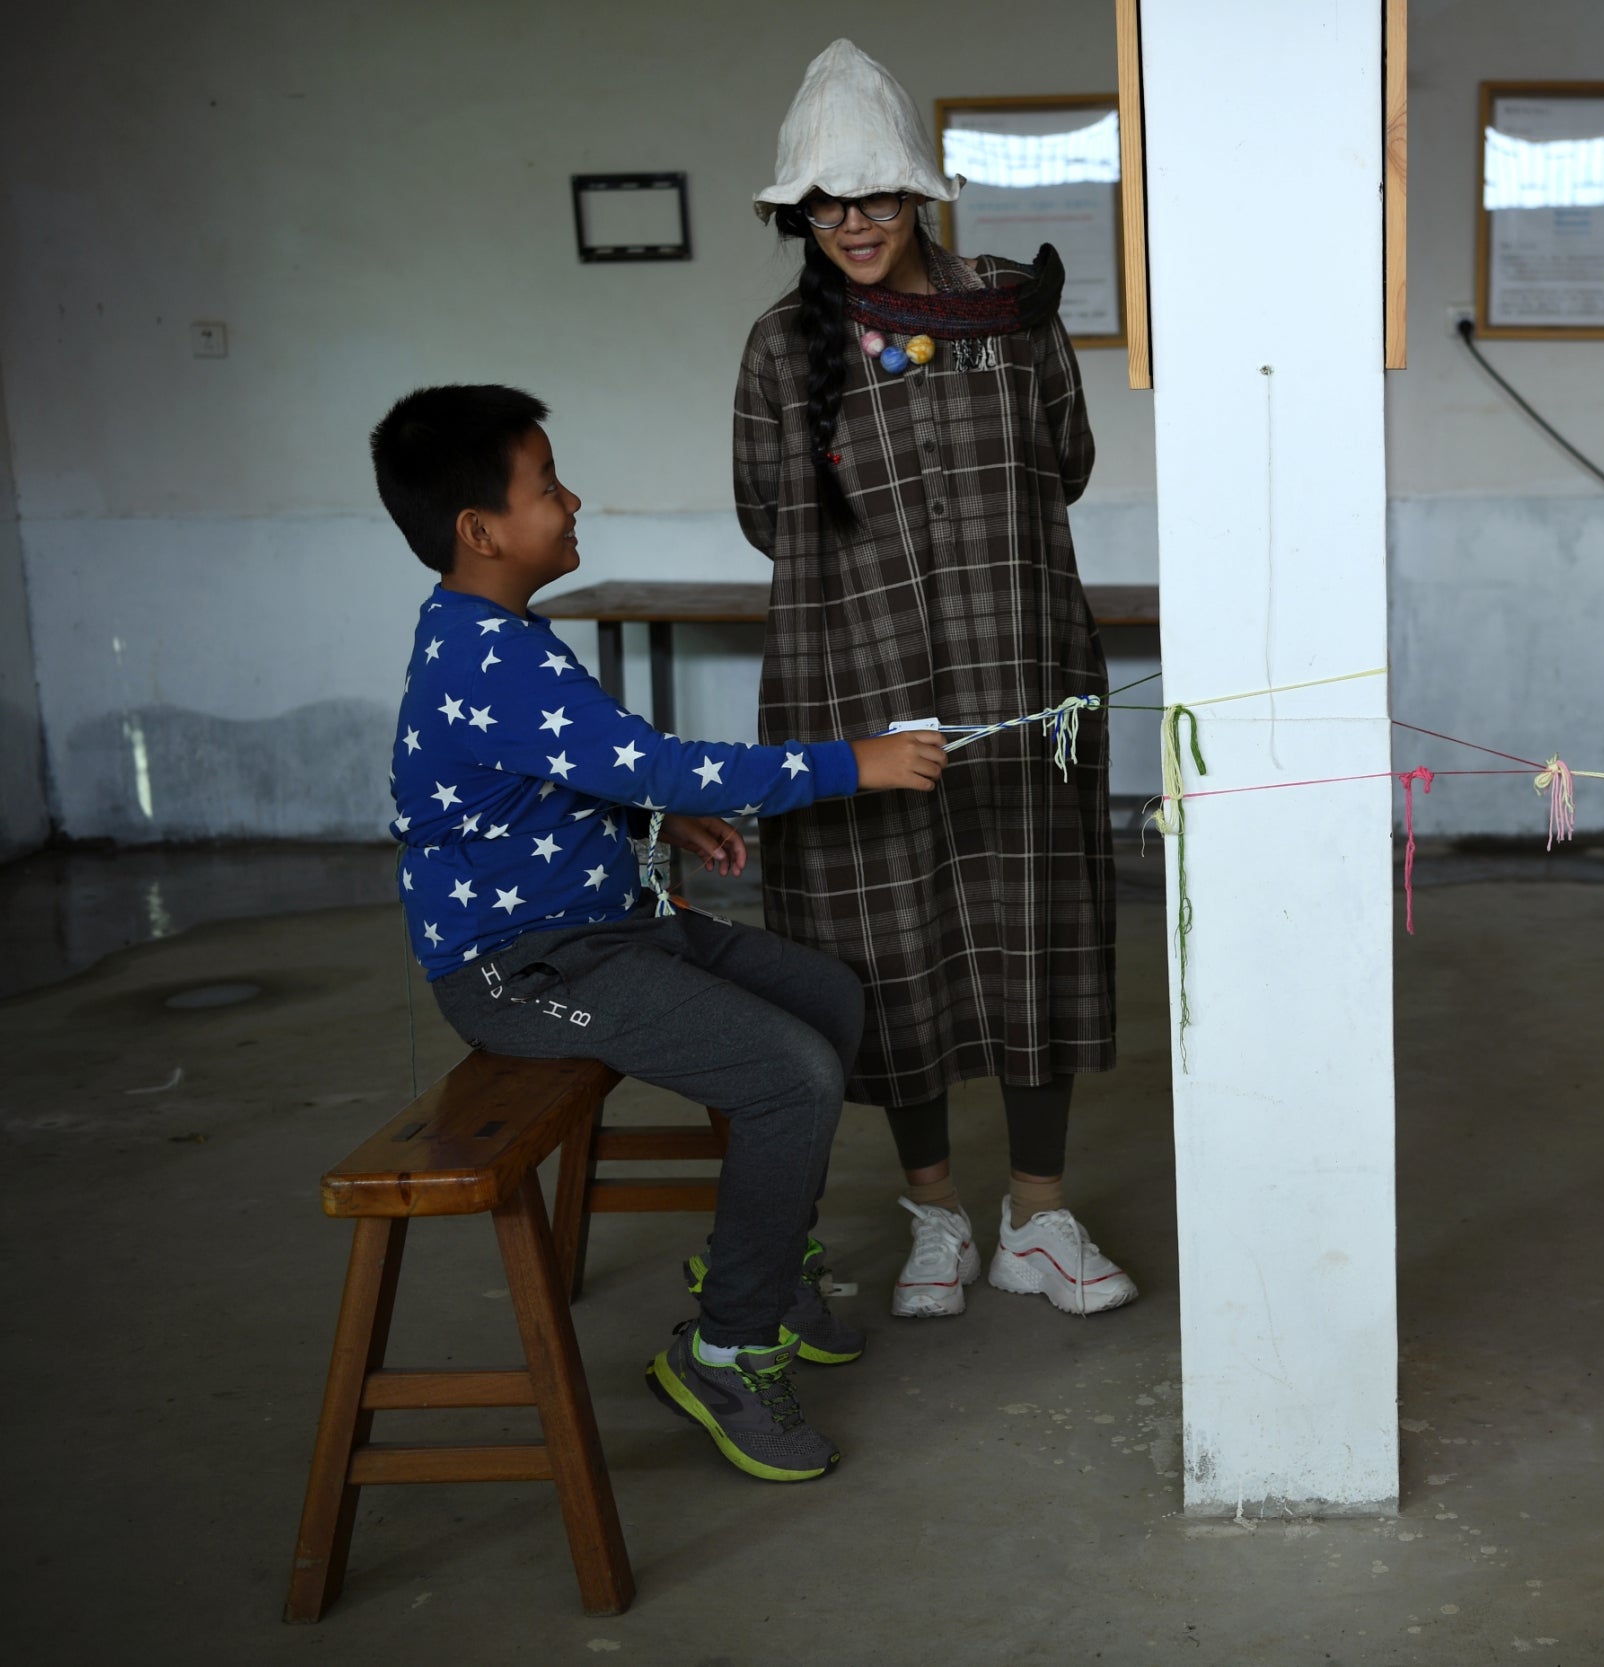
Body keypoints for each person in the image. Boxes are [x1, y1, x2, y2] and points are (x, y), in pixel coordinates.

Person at [373, 384, 948, 1482]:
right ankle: (726, 1351)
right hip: (521, 967)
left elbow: (581, 768)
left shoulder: (496, 633)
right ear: (480, 530)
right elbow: (656, 756)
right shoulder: (485, 656)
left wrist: (650, 813)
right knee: (791, 1073)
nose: (572, 496)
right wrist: (850, 761)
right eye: (548, 485)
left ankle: (764, 1276)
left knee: (827, 997)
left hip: (606, 927)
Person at [734, 39, 1134, 1320]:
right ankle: (936, 1218)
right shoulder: (780, 344)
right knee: (883, 944)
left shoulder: (1013, 309)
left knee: (1034, 933)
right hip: (853, 679)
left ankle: (1039, 1213)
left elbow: (1064, 460)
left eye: (878, 196)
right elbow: (764, 514)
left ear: (921, 194)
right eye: (826, 203)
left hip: (1014, 660)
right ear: (801, 212)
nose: (853, 224)